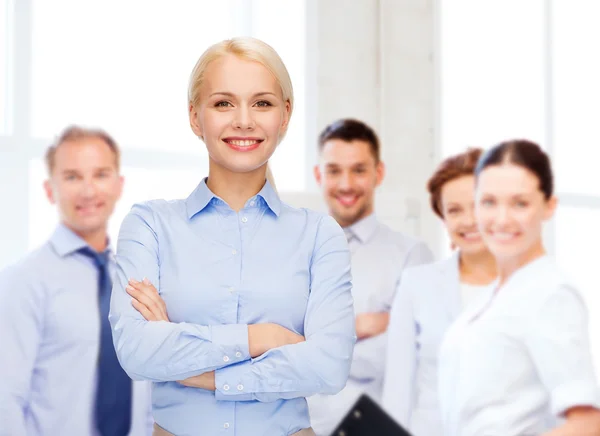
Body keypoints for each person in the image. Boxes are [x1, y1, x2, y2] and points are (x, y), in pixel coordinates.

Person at [108, 37, 356, 436]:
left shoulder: (319, 235)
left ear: (285, 115)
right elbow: (138, 353)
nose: (244, 120)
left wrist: (202, 375)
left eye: (262, 103)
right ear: (195, 117)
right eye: (223, 103)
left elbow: (328, 366)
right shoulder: (150, 225)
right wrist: (264, 337)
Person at [438, 139, 600, 436]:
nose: (502, 219)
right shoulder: (493, 296)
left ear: (549, 206)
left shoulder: (551, 294)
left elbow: (588, 424)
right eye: (489, 202)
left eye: (520, 203)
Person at [0, 126, 153, 436]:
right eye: (72, 177)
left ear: (119, 184)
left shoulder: (135, 282)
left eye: (100, 174)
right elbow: (6, 399)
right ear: (49, 189)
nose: (88, 191)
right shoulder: (23, 281)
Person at [308, 118, 434, 435]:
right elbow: (269, 347)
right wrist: (357, 327)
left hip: (368, 428)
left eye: (359, 170)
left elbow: (398, 357)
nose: (346, 183)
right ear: (318, 175)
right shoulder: (293, 251)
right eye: (334, 170)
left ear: (378, 174)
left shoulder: (412, 256)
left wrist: (309, 341)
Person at [381, 148, 496, 435]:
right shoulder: (417, 284)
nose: (468, 221)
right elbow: (398, 391)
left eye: (479, 205)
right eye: (454, 210)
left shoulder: (531, 288)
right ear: (443, 219)